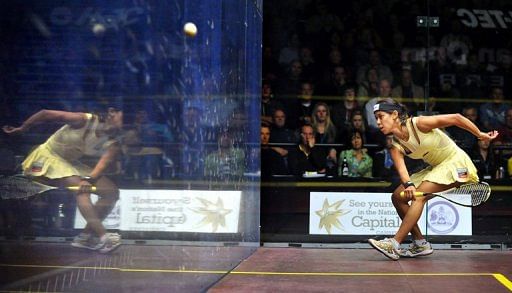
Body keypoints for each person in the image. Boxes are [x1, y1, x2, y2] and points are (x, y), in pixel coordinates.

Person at [368, 98, 498, 260]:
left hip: (457, 164)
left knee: (419, 197)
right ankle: (420, 243)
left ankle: (394, 244)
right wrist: (408, 185)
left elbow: (456, 118)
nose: (378, 122)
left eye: (381, 116)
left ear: (394, 114)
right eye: (376, 118)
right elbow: (403, 171)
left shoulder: (418, 124)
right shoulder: (396, 145)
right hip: (436, 168)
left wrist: (480, 135)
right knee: (397, 196)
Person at [2, 107, 124, 253]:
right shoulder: (84, 120)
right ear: (111, 112)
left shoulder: (114, 143)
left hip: (68, 162)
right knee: (81, 189)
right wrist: (22, 128)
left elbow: (101, 165)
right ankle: (104, 238)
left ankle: (85, 237)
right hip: (46, 158)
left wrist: (89, 180)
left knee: (111, 192)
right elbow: (46, 114)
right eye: (125, 116)